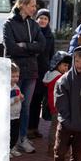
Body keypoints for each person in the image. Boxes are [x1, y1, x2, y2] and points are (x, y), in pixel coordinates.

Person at [3, 0, 46, 154]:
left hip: (31, 71)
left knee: (25, 107)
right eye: (32, 5)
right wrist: (30, 47)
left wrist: (25, 46)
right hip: (15, 72)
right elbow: (11, 48)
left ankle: (22, 139)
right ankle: (10, 142)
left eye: (35, 6)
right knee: (12, 105)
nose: (35, 9)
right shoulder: (9, 23)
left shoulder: (34, 25)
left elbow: (41, 46)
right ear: (23, 4)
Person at [28, 8, 54, 140]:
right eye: (40, 18)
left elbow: (51, 55)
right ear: (36, 19)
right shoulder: (32, 33)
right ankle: (27, 128)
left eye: (45, 18)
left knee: (38, 101)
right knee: (30, 101)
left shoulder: (50, 36)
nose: (43, 20)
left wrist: (51, 69)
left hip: (43, 72)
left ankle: (34, 128)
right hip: (32, 69)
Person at [42, 51, 71, 156]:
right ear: (57, 64)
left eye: (68, 66)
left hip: (53, 105)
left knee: (54, 127)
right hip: (59, 106)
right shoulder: (59, 78)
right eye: (64, 65)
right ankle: (55, 149)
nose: (66, 68)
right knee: (58, 129)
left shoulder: (50, 75)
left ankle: (52, 148)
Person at [10, 63, 24, 158]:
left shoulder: (16, 87)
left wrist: (21, 98)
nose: (15, 78)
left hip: (16, 115)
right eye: (13, 76)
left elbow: (18, 97)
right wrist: (14, 100)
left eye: (17, 76)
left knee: (15, 134)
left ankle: (12, 148)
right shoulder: (6, 88)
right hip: (9, 116)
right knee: (8, 134)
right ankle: (7, 150)